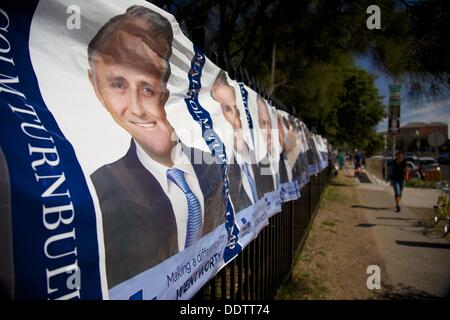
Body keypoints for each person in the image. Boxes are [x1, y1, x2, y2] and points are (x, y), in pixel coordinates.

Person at [87, 5, 225, 288]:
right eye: (117, 84)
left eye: (148, 85)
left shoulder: (214, 166)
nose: (136, 109)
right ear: (95, 85)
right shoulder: (98, 189)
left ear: (167, 88)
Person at [211, 71, 262, 211]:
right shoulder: (209, 162)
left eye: (236, 110)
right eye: (227, 109)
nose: (236, 119)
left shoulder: (246, 153)